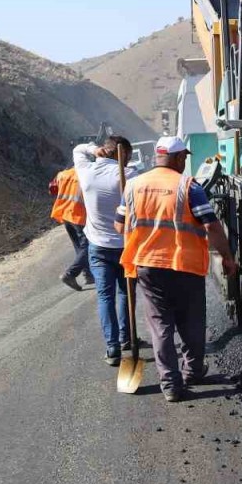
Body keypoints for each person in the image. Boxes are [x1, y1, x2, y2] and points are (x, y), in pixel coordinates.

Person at [118, 136, 237, 403]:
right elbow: (211, 225)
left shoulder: (133, 186)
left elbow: (119, 225)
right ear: (179, 157)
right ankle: (192, 372)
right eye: (184, 157)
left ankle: (170, 385)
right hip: (184, 266)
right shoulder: (188, 186)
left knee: (160, 325)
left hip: (148, 266)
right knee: (191, 321)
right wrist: (227, 257)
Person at [73, 135, 135, 366]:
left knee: (105, 295)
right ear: (125, 155)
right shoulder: (129, 175)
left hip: (98, 246)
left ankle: (113, 347)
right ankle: (126, 337)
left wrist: (92, 148)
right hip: (124, 246)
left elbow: (78, 150)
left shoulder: (86, 171)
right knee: (125, 293)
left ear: (103, 151)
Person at [49, 166, 94, 290]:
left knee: (80, 247)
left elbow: (52, 189)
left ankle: (88, 275)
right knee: (89, 246)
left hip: (65, 214)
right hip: (79, 215)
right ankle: (70, 274)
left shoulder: (62, 174)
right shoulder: (87, 175)